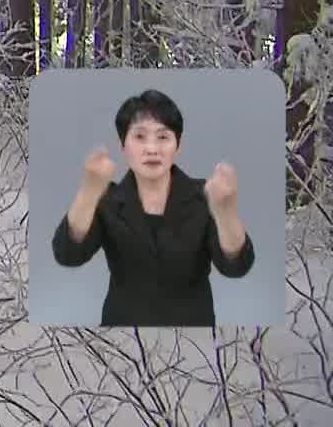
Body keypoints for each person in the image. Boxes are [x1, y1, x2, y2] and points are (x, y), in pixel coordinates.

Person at [51, 88, 254, 326]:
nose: (152, 149)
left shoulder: (205, 195)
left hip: (195, 339)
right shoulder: (108, 199)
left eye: (163, 137)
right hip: (122, 335)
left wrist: (225, 213)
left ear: (177, 145)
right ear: (122, 145)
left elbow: (237, 266)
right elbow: (68, 254)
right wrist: (88, 193)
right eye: (139, 136)